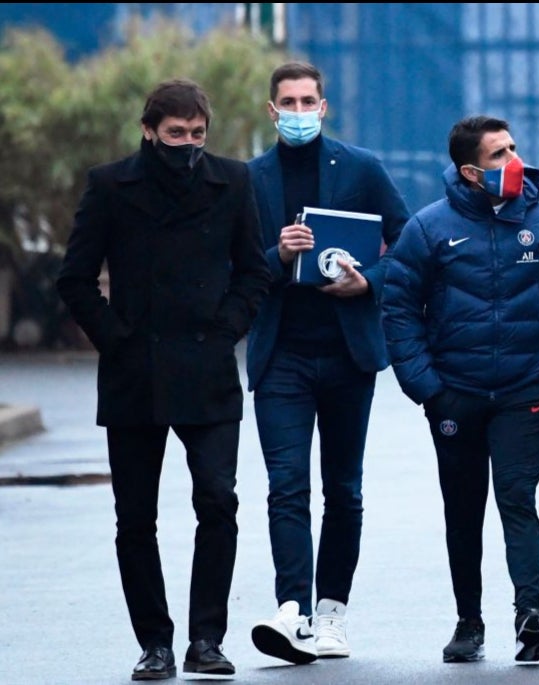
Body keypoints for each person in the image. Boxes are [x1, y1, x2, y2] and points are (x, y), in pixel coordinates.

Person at [56, 78, 270, 680]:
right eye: (176, 134)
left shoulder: (232, 180)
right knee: (135, 517)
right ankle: (155, 643)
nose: (187, 144)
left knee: (218, 502)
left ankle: (207, 640)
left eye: (197, 134)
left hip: (206, 368)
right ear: (149, 130)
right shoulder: (110, 185)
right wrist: (118, 339)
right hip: (134, 372)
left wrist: (226, 329)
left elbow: (254, 272)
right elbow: (73, 278)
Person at [382, 115, 539, 664]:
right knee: (463, 509)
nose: (513, 161)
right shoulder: (427, 228)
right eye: (499, 154)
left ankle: (529, 613)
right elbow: (398, 309)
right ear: (470, 171)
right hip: (456, 395)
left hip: (526, 392)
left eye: (514, 148)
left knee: (517, 498)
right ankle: (469, 623)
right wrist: (428, 389)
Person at [245, 61, 410, 664]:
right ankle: (293, 610)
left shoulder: (361, 168)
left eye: (307, 100)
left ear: (324, 106)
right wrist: (275, 253)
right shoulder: (251, 179)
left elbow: (409, 244)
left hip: (347, 353)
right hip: (281, 353)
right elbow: (235, 267)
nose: (297, 111)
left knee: (343, 490)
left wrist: (369, 283)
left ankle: (332, 613)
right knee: (286, 487)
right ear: (271, 111)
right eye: (286, 102)